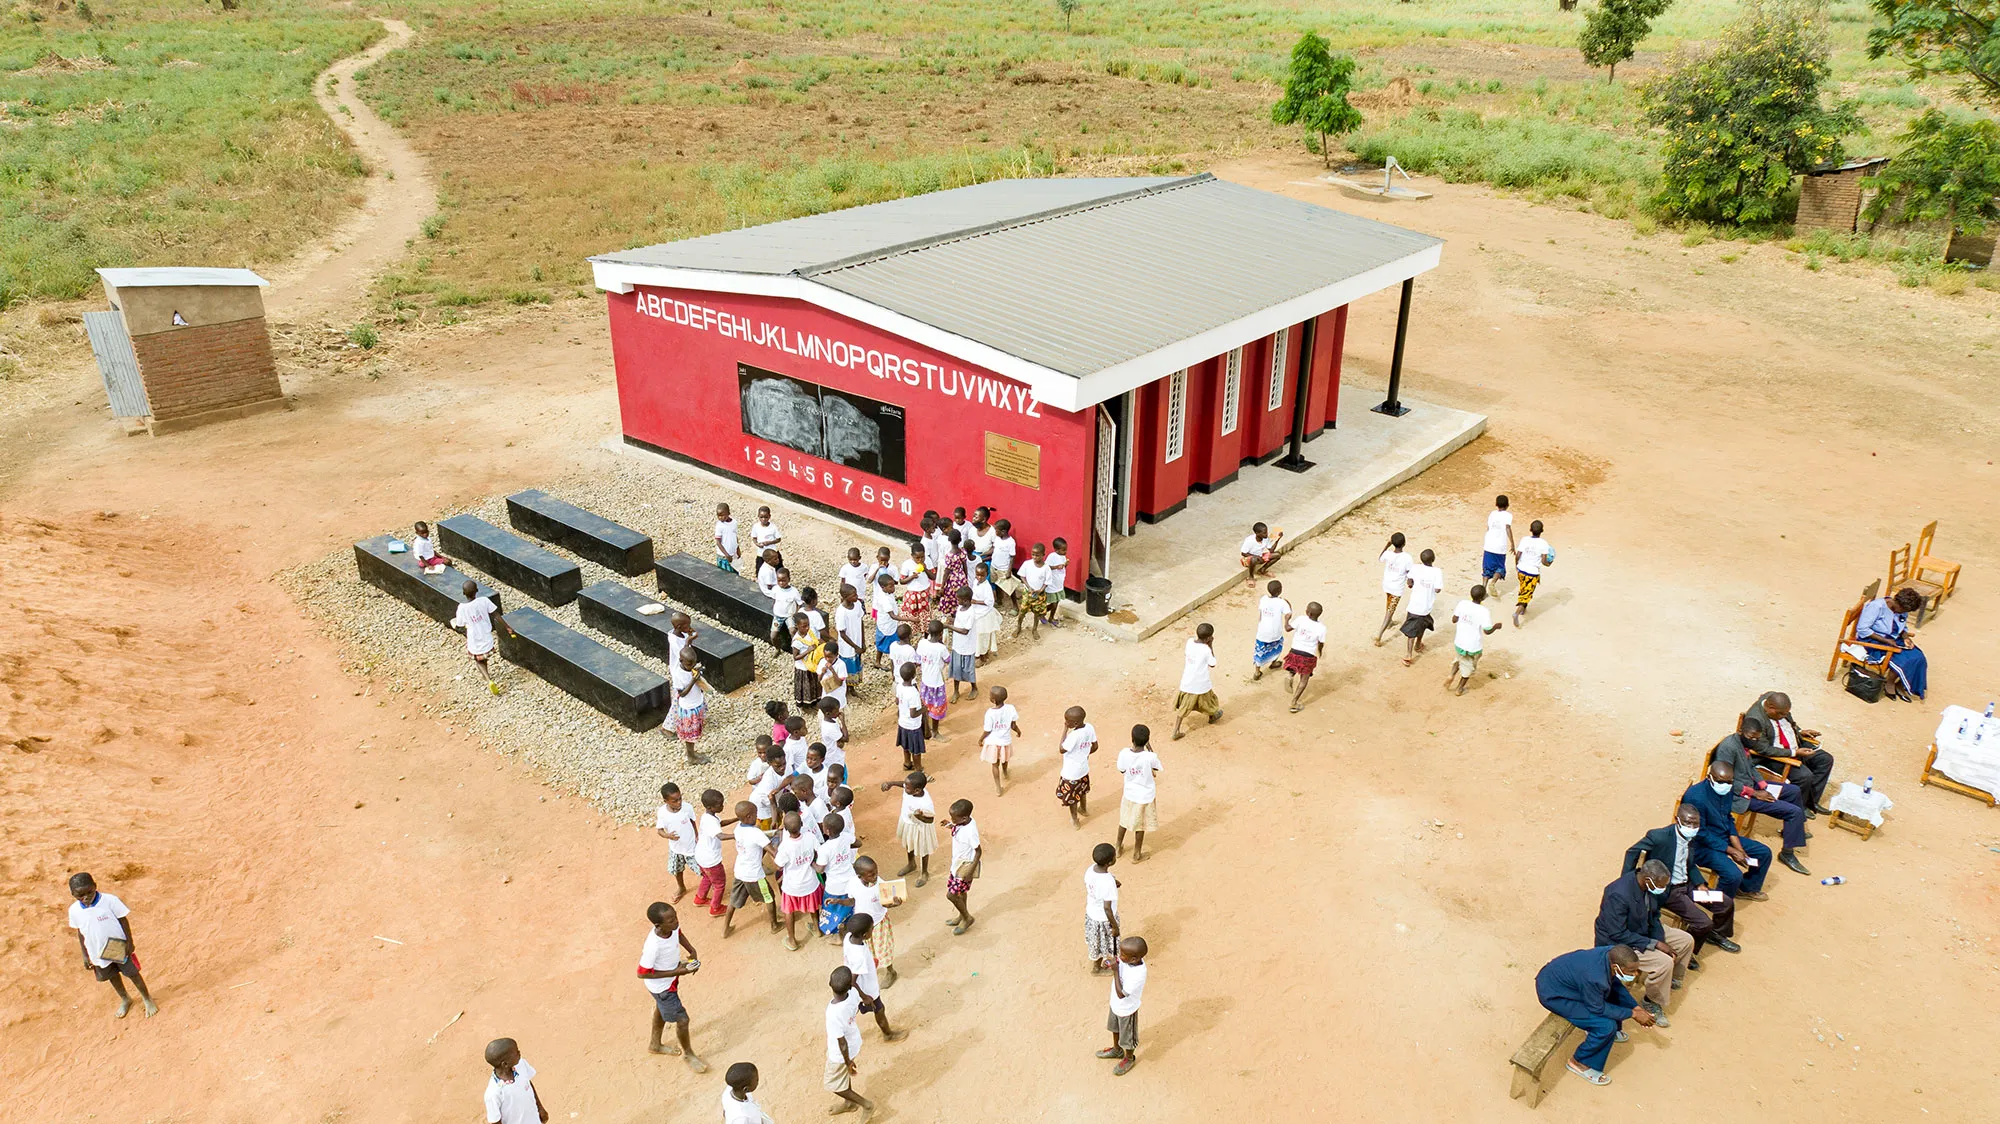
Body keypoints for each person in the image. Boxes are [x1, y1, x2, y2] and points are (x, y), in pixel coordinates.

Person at [1624, 804, 1742, 955]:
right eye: (1688, 823)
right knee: (1703, 923)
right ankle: (1689, 952)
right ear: (1677, 820)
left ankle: (1716, 934)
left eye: (1696, 824)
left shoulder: (1691, 837)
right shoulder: (1659, 836)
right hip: (1669, 890)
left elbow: (1690, 864)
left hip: (1688, 884)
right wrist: (1629, 881)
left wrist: (1700, 883)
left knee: (1725, 903)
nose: (1692, 827)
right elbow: (1632, 852)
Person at [1532, 945, 1653, 1087]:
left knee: (1609, 992)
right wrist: (1633, 1014)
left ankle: (1607, 1034)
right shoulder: (1595, 977)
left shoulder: (1609, 954)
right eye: (1632, 971)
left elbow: (1615, 985)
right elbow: (1598, 1008)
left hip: (1570, 984)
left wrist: (1635, 1007)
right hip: (1555, 995)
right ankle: (1580, 1062)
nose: (1636, 974)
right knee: (1606, 1026)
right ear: (1615, 967)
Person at [1593, 861, 1694, 1027]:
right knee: (1664, 962)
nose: (1663, 888)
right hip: (1621, 943)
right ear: (1648, 879)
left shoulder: (1648, 887)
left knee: (1685, 940)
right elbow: (1617, 933)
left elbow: (1654, 916)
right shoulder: (1618, 894)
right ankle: (1651, 999)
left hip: (1643, 928)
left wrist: (1659, 939)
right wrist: (1653, 944)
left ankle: (1672, 979)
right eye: (1661, 885)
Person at [1710, 718, 1812, 876]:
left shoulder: (1743, 744)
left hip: (1751, 786)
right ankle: (1787, 853)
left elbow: (1750, 767)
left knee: (1793, 791)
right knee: (1794, 812)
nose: (1754, 741)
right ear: (1740, 732)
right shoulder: (1728, 748)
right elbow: (1724, 779)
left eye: (1757, 738)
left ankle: (1792, 830)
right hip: (1738, 796)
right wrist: (1756, 793)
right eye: (1751, 737)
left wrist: (1764, 785)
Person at [67, 872, 157, 1017]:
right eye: (80, 895)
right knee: (111, 975)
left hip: (117, 946)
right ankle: (125, 998)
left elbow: (123, 920)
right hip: (96, 951)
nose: (86, 897)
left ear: (95, 886)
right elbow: (80, 932)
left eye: (89, 892)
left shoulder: (109, 901)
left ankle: (147, 998)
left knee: (132, 973)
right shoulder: (74, 911)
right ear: (72, 894)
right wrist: (85, 955)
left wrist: (129, 942)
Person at [1682, 761, 1774, 901]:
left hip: (1722, 836)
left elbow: (1727, 817)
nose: (1725, 785)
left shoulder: (1727, 789)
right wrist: (1731, 850)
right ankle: (1720, 907)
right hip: (1700, 845)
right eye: (1721, 781)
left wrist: (1738, 847)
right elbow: (1700, 833)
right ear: (1709, 777)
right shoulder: (1696, 797)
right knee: (1733, 875)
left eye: (1729, 781)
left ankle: (1746, 888)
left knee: (1763, 853)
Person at [638, 902, 710, 1070]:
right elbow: (642, 973)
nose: (676, 922)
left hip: (669, 981)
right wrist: (677, 971)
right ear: (658, 925)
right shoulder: (653, 946)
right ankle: (688, 1054)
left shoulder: (671, 927)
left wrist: (691, 950)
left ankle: (655, 1044)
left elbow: (678, 933)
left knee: (660, 1009)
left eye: (675, 917)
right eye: (671, 921)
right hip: (662, 988)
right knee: (682, 1020)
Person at [1743, 691, 1837, 815]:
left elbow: (1787, 724)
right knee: (1804, 776)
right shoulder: (1755, 720)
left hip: (1795, 744)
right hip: (1772, 756)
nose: (1784, 716)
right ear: (1770, 708)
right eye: (1781, 714)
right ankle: (1800, 807)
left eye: (1786, 713)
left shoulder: (1773, 701)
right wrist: (1794, 752)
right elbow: (1763, 749)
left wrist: (1800, 731)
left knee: (1825, 759)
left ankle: (1811, 801)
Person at [1851, 585, 1929, 698]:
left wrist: (1906, 637)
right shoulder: (1876, 607)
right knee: (1903, 659)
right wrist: (1886, 641)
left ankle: (1901, 684)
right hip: (1873, 640)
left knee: (1919, 657)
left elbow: (1902, 626)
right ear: (1898, 603)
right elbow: (1863, 629)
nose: (1904, 613)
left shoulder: (1901, 609)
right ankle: (1890, 682)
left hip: (1892, 638)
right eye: (1904, 610)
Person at [842, 913, 906, 1039]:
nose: (873, 930)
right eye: (872, 928)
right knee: (879, 1010)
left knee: (851, 1010)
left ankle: (843, 1032)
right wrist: (864, 996)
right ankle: (888, 1035)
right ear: (865, 935)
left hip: (856, 988)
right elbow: (852, 981)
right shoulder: (859, 956)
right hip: (866, 989)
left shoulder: (849, 937)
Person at [823, 967, 876, 1119]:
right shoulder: (852, 993)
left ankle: (867, 1105)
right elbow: (860, 997)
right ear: (849, 987)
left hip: (840, 1053)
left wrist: (847, 1062)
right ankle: (849, 1103)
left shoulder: (833, 1013)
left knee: (833, 1084)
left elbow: (841, 1042)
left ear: (829, 984)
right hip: (854, 1042)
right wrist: (866, 998)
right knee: (842, 1076)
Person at [724, 800, 780, 937]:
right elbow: (772, 852)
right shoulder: (756, 833)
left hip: (740, 871)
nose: (757, 817)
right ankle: (774, 925)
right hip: (755, 874)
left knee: (733, 900)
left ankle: (725, 928)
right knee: (769, 897)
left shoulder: (738, 828)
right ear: (749, 816)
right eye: (756, 814)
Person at [1098, 935, 1148, 1076]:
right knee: (1114, 1028)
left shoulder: (1138, 974)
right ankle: (1117, 1049)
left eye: (1123, 954)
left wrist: (1114, 970)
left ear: (1134, 959)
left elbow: (1122, 994)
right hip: (1115, 1004)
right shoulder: (1129, 959)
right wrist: (1109, 964)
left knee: (1128, 1037)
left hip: (1127, 1010)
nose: (1120, 956)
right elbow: (1119, 962)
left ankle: (1129, 1057)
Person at [773, 811, 822, 951]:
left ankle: (792, 940)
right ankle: (817, 929)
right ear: (802, 824)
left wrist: (775, 853)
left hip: (792, 886)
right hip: (810, 882)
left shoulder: (785, 845)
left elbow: (778, 866)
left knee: (788, 911)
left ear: (786, 829)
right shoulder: (810, 837)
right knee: (813, 908)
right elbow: (819, 851)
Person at [451, 579, 509, 695]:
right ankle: (488, 677)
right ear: (477, 590)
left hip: (474, 637)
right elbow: (496, 614)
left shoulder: (462, 608)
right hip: (486, 634)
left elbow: (460, 624)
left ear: (463, 593)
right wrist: (507, 627)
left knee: (478, 660)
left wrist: (454, 623)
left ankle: (488, 679)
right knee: (483, 656)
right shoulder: (484, 601)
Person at [880, 771, 936, 887]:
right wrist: (891, 783)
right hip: (907, 822)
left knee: (923, 849)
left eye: (907, 788)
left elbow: (931, 820)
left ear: (917, 790)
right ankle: (911, 864)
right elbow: (903, 784)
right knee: (908, 843)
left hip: (920, 827)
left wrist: (920, 816)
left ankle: (924, 872)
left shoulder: (926, 803)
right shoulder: (910, 788)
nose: (905, 788)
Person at [851, 855, 900, 988]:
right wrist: (838, 902)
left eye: (876, 872)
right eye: (871, 874)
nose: (875, 876)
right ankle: (872, 968)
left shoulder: (880, 884)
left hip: (878, 924)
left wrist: (894, 904)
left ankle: (891, 972)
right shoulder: (853, 883)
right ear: (860, 876)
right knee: (868, 949)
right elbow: (852, 900)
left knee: (882, 950)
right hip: (863, 924)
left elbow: (886, 903)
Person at [1115, 725, 1162, 861]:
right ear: (1147, 740)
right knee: (1141, 825)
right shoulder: (1150, 756)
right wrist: (1150, 747)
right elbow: (1156, 767)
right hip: (1145, 796)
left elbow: (1122, 769)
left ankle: (1118, 846)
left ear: (1132, 739)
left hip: (1129, 793)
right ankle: (1136, 853)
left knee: (1124, 819)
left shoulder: (1124, 753)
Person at [1444, 585, 1500, 696]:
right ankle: (1459, 688)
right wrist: (1496, 626)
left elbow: (1454, 619)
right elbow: (1487, 631)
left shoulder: (1462, 604)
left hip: (1459, 642)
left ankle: (1451, 675)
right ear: (1483, 598)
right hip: (1473, 646)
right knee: (1468, 668)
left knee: (1460, 658)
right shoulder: (1484, 611)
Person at [1170, 623, 1221, 740]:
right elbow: (1213, 664)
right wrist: (1211, 645)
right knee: (1209, 700)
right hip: (1201, 684)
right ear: (1209, 638)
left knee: (1184, 707)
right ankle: (1212, 715)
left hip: (1187, 682)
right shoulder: (1206, 650)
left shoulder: (1189, 643)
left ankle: (1176, 730)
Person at [483, 1038, 549, 1124]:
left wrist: (540, 1108)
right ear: (505, 1064)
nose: (519, 1053)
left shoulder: (521, 1065)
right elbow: (495, 1121)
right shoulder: (494, 1093)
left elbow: (527, 1083)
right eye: (516, 1052)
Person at [1400, 549, 1445, 666]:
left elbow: (1409, 580)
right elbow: (1437, 589)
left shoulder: (1415, 568)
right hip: (1425, 607)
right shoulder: (1437, 572)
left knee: (1421, 626)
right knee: (1417, 628)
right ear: (1433, 559)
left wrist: (1411, 584)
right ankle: (1408, 655)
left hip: (1414, 605)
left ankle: (1418, 645)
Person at [943, 799, 982, 934]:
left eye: (954, 818)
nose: (952, 819)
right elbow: (958, 829)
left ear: (964, 818)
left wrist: (970, 870)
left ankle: (967, 918)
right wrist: (950, 825)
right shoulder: (964, 823)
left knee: (951, 895)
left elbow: (978, 851)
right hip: (957, 864)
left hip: (964, 867)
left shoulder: (971, 832)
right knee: (962, 893)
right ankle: (962, 915)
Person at [657, 782, 700, 901]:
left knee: (702, 869)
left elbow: (692, 822)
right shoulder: (662, 813)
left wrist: (697, 835)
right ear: (666, 801)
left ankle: (708, 886)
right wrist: (667, 835)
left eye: (680, 798)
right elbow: (659, 830)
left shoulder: (687, 807)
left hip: (691, 846)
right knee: (677, 870)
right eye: (674, 801)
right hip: (676, 848)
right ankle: (681, 887)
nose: (679, 802)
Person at [1057, 706, 1099, 826]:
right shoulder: (1089, 728)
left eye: (1067, 721)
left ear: (1075, 723)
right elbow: (1095, 746)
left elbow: (1061, 749)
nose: (1066, 722)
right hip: (1083, 769)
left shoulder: (1073, 736)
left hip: (1071, 774)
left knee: (1072, 798)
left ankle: (1075, 820)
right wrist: (1084, 754)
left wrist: (1065, 730)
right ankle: (1084, 809)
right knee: (1082, 791)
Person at [1283, 602, 1327, 713]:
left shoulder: (1301, 619)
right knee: (1304, 680)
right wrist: (1320, 651)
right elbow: (1321, 643)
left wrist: (1287, 619)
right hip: (1308, 655)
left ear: (1308, 612)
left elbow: (1288, 628)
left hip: (1294, 651)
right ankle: (1293, 703)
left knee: (1294, 664)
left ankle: (1291, 674)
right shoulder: (1322, 628)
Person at [693, 789, 731, 917]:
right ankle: (715, 908)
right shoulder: (711, 820)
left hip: (701, 855)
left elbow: (720, 823)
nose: (722, 806)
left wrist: (737, 818)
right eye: (719, 804)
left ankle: (700, 897)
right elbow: (720, 836)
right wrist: (737, 835)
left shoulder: (708, 816)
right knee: (719, 884)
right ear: (710, 807)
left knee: (707, 877)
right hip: (711, 860)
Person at [1084, 842, 1121, 974]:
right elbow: (1107, 908)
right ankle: (1097, 968)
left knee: (1096, 942)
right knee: (1105, 942)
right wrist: (1114, 926)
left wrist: (1113, 881)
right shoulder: (1107, 882)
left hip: (1092, 914)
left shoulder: (1091, 869)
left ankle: (1096, 964)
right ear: (1110, 862)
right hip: (1104, 919)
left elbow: (1096, 884)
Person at [670, 649, 709, 765]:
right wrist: (693, 681)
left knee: (694, 732)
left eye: (693, 663)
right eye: (689, 664)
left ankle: (692, 753)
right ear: (681, 660)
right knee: (690, 735)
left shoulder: (690, 668)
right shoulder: (678, 674)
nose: (692, 666)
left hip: (696, 703)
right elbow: (681, 693)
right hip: (689, 709)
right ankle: (691, 757)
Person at [980, 684, 1021, 796]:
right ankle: (1006, 772)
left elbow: (987, 730)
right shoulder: (1011, 708)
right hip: (1005, 741)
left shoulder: (989, 713)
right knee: (1005, 759)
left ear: (993, 700)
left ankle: (998, 787)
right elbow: (1013, 725)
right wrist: (1018, 731)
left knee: (994, 764)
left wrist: (981, 739)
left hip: (993, 743)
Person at [1374, 532, 1413, 645]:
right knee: (1391, 610)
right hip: (1397, 588)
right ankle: (1379, 634)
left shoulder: (1388, 554)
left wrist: (1387, 545)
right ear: (1404, 543)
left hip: (1387, 584)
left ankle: (1390, 622)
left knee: (1389, 602)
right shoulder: (1407, 558)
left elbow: (1380, 557)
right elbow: (1410, 573)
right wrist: (1410, 583)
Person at [1513, 519, 1553, 627]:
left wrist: (1517, 566)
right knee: (1527, 594)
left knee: (1523, 589)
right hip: (1532, 573)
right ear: (1542, 531)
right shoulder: (1544, 544)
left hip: (1521, 570)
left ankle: (1522, 609)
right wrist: (1549, 563)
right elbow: (1544, 561)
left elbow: (1518, 555)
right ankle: (1517, 612)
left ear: (1530, 529)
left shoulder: (1525, 539)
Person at [1251, 579, 1292, 680]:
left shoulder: (1263, 599)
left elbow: (1260, 613)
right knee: (1276, 648)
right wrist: (1287, 622)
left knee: (1260, 651)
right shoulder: (1282, 602)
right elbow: (1288, 613)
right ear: (1280, 591)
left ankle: (1257, 671)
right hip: (1275, 632)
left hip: (1262, 632)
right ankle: (1273, 663)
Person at [916, 621, 951, 734]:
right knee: (937, 707)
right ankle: (935, 732)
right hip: (937, 683)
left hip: (925, 681)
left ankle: (925, 728)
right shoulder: (941, 648)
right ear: (941, 634)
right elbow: (948, 660)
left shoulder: (922, 643)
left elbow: (917, 660)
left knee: (925, 704)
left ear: (928, 632)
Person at [947, 587, 981, 701]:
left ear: (966, 600)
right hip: (957, 645)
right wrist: (951, 621)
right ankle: (956, 691)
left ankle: (974, 688)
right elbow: (959, 622)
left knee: (968, 669)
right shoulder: (960, 608)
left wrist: (949, 627)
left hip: (967, 646)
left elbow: (965, 631)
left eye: (959, 599)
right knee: (956, 668)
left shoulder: (971, 613)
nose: (958, 601)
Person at [892, 663, 924, 770]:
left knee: (905, 746)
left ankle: (907, 763)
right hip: (913, 726)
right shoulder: (913, 693)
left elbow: (897, 701)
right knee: (916, 750)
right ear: (914, 676)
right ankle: (919, 769)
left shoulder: (899, 686)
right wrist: (924, 709)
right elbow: (913, 714)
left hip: (903, 723)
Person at [1015, 543, 1051, 638]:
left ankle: (1034, 629)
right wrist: (1028, 587)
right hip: (1028, 592)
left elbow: (1047, 582)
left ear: (1043, 555)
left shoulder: (1046, 568)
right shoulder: (1027, 564)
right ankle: (1018, 626)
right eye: (1033, 554)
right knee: (1022, 611)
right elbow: (1022, 576)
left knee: (1037, 612)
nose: (1035, 557)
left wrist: (1040, 590)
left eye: (1037, 555)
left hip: (1039, 594)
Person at [897, 542, 933, 635]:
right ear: (912, 556)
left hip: (924, 593)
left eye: (922, 557)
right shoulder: (907, 564)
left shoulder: (928, 561)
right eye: (917, 558)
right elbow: (902, 581)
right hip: (912, 594)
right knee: (911, 616)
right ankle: (910, 634)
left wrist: (926, 569)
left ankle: (925, 634)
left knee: (925, 615)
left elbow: (933, 576)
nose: (920, 560)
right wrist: (911, 577)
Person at [970, 561, 1003, 663]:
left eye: (982, 575)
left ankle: (984, 653)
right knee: (977, 635)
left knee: (984, 635)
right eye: (977, 575)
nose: (979, 577)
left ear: (986, 575)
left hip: (984, 614)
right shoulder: (975, 582)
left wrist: (976, 601)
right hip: (976, 612)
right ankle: (977, 653)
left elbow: (989, 602)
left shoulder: (987, 586)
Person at [1481, 494, 1515, 592]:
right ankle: (1493, 582)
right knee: (1500, 567)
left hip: (1488, 545)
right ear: (1507, 505)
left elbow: (1488, 528)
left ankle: (1483, 587)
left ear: (1496, 504)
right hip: (1500, 547)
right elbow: (1507, 528)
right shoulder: (1508, 515)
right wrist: (1512, 543)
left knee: (1487, 568)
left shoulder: (1492, 514)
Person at [870, 573, 902, 671]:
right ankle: (894, 667)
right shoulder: (885, 600)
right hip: (887, 625)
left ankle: (878, 661)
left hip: (885, 623)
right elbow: (893, 616)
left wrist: (898, 599)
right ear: (883, 587)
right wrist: (911, 619)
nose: (893, 588)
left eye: (893, 585)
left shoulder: (888, 593)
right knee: (893, 646)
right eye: (891, 586)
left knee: (881, 643)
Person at [835, 583, 866, 684]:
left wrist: (862, 642)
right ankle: (848, 689)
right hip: (847, 646)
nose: (856, 597)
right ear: (845, 597)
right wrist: (855, 646)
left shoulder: (857, 605)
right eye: (853, 595)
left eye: (856, 594)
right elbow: (842, 634)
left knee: (856, 665)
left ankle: (853, 687)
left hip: (857, 642)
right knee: (848, 668)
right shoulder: (841, 612)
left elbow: (861, 622)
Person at [990, 519, 1023, 613]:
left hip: (1003, 568)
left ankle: (1015, 607)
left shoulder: (1010, 542)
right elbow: (994, 549)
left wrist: (1009, 570)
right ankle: (999, 601)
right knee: (997, 584)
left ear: (1003, 531)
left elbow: (1012, 557)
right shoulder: (997, 539)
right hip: (994, 566)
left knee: (1010, 588)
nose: (995, 532)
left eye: (996, 530)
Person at [770, 569, 803, 652]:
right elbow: (774, 599)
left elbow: (799, 603)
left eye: (784, 580)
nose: (781, 583)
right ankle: (777, 648)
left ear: (789, 579)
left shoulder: (794, 591)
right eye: (779, 581)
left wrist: (796, 614)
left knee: (793, 631)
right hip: (778, 616)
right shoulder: (775, 589)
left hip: (789, 616)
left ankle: (796, 649)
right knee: (773, 636)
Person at [1042, 537, 1070, 627]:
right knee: (1053, 603)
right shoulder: (1052, 556)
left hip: (1059, 584)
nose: (1065, 552)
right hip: (1052, 584)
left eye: (1066, 549)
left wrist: (1065, 565)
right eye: (1063, 550)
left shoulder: (1063, 557)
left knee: (1057, 602)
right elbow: (1046, 567)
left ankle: (1051, 617)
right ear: (1056, 549)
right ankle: (1041, 613)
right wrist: (1056, 567)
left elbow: (1062, 569)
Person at [714, 503, 741, 573]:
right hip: (724, 556)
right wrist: (726, 555)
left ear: (728, 513)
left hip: (733, 554)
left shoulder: (734, 523)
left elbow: (735, 537)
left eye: (722, 515)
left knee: (735, 574)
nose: (720, 518)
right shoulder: (719, 526)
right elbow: (718, 542)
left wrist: (738, 549)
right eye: (718, 516)